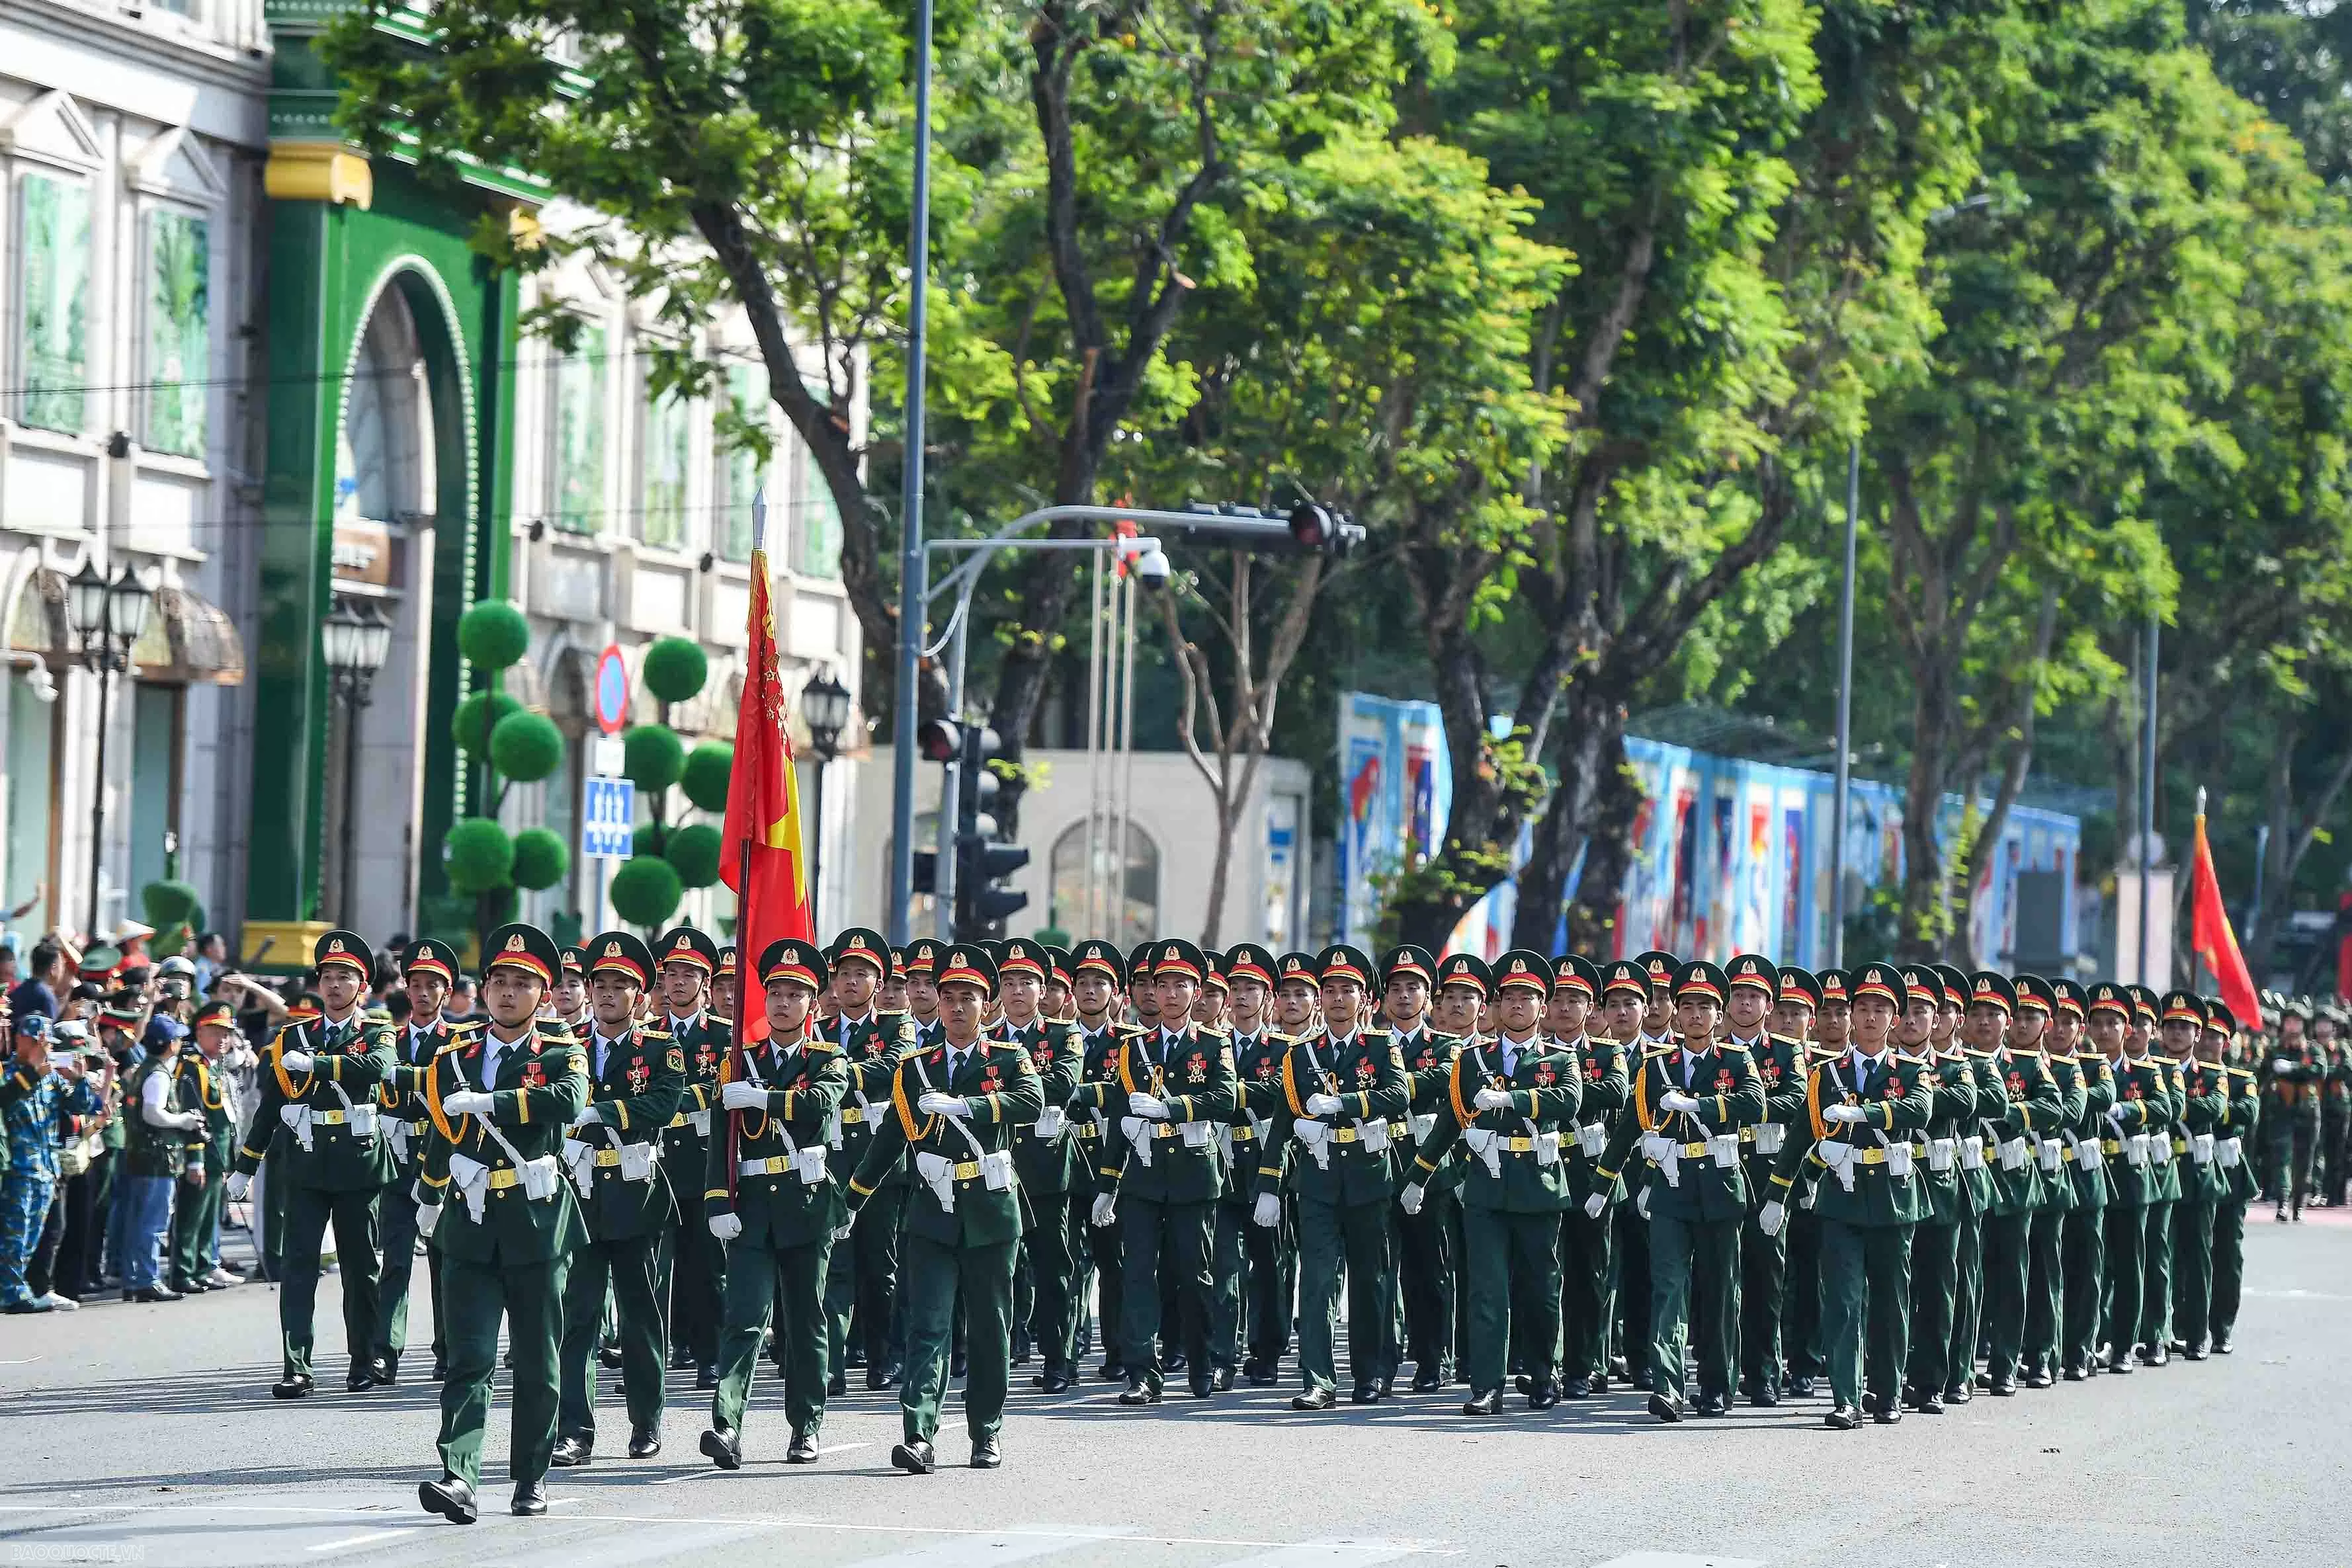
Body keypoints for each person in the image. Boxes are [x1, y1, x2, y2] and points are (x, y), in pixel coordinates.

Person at [409, 923, 590, 1524]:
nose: (508, 993)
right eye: (499, 982)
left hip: (537, 1224)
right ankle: (458, 1473)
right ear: (484, 988)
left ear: (543, 994)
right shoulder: (453, 1056)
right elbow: (444, 1129)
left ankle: (530, 1475)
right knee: (470, 1354)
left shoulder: (563, 1051)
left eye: (523, 984)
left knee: (538, 1357)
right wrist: (430, 1192)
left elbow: (568, 1100)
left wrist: (495, 1103)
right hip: (470, 1219)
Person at [844, 944, 1044, 1472]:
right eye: (948, 996)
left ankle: (986, 1431)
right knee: (927, 1326)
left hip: (990, 1212)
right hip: (932, 1210)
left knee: (988, 1325)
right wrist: (853, 1199)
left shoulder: (1008, 1057)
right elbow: (889, 1137)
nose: (956, 1007)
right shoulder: (916, 1066)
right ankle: (919, 1433)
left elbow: (1032, 1101)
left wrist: (970, 1106)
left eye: (968, 998)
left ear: (988, 1002)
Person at [1406, 950, 1579, 1414]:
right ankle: (1487, 1384)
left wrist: (1512, 1097)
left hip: (1539, 1186)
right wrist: (1418, 1175)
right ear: (1497, 1007)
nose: (1518, 1004)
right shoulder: (1472, 1059)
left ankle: (1544, 1373)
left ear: (1543, 1008)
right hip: (1486, 1185)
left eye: (1529, 997)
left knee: (1541, 1287)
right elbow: (1450, 1120)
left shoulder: (1560, 1060)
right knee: (1486, 1289)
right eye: (1510, 997)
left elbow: (1568, 1100)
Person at [227, 932, 398, 1394]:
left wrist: (320, 1067)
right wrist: (246, 1163)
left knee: (361, 1267)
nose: (336, 985)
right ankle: (296, 1365)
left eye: (345, 977)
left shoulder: (377, 1030)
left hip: (358, 1161)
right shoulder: (293, 1037)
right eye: (328, 977)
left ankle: (364, 1358)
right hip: (304, 1160)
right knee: (298, 1266)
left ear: (362, 986)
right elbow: (271, 1103)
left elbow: (377, 1068)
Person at [1594, 959, 1764, 1421]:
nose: (1694, 1014)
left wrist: (1700, 1103)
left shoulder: (1736, 1059)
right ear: (1673, 1011)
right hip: (1669, 1189)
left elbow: (1754, 1102)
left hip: (1721, 1187)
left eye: (1704, 1007)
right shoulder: (1656, 1066)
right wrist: (1603, 1182)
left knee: (1719, 1290)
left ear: (1720, 1013)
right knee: (1668, 1287)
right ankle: (1669, 1385)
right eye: (1686, 1005)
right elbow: (1630, 1126)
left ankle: (1715, 1384)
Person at [1765, 961, 1931, 1428]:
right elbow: (1800, 1134)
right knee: (1842, 1300)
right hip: (1840, 1198)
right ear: (1851, 1015)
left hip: (1894, 1199)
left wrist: (1866, 1114)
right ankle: (1846, 1396)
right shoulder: (1826, 1074)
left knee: (1890, 1300)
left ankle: (1888, 1391)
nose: (1872, 1017)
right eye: (1863, 1008)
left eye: (1882, 1009)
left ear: (1894, 1019)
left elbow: (1920, 1108)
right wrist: (1779, 1193)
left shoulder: (1911, 1070)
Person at [701, 937, 847, 1468]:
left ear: (813, 1002)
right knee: (743, 1317)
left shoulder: (828, 1057)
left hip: (807, 1207)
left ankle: (805, 1425)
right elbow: (722, 1136)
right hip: (754, 1205)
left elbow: (821, 1103)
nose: (783, 1002)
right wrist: (718, 1201)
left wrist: (764, 1098)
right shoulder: (739, 1060)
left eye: (795, 993)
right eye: (775, 992)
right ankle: (726, 1423)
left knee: (806, 1319)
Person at [1075, 938, 1236, 1405]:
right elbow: (1121, 1121)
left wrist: (1172, 1107)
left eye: (1180, 984)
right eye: (1162, 984)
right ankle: (1142, 1371)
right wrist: (1108, 1185)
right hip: (1143, 1175)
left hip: (1192, 1174)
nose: (1169, 993)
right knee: (1137, 1273)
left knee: (1194, 1272)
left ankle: (1201, 1358)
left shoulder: (1212, 1043)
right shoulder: (1132, 1048)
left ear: (1196, 991)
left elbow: (1224, 1100)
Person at [550, 932, 686, 1467]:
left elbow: (663, 1102)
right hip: (580, 1193)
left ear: (640, 993)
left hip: (635, 1192)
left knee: (639, 1313)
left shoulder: (659, 1047)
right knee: (578, 1315)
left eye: (620, 985)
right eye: (599, 983)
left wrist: (601, 1114)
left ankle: (645, 1420)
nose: (607, 993)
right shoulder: (568, 1043)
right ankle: (575, 1431)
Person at [1257, 944, 1404, 1409]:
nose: (1339, 998)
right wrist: (1268, 1186)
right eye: (1332, 990)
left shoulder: (1382, 1047)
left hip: (1368, 1176)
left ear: (1366, 999)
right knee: (1316, 1280)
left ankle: (1370, 1372)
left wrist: (1346, 1104)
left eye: (1349, 990)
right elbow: (1282, 1122)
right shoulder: (1301, 1055)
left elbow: (1399, 1094)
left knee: (1370, 1279)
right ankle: (1317, 1378)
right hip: (1317, 1180)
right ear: (1321, 1000)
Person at [818, 928, 917, 1393]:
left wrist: (838, 1073)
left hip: (880, 1164)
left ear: (879, 984)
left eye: (863, 974)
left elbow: (897, 1065)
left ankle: (884, 1356)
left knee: (881, 1267)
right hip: (829, 1160)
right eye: (844, 974)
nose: (851, 982)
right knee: (835, 1266)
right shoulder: (815, 1031)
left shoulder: (897, 1025)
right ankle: (832, 1362)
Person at [376, 938, 467, 1383]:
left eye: (433, 985)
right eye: (417, 985)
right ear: (406, 989)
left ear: (446, 993)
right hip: (398, 1159)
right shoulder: (387, 1041)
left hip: (444, 1162)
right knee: (394, 1259)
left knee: (444, 1260)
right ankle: (386, 1351)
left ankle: (447, 1348)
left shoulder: (460, 1044)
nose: (424, 993)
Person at [996, 938, 1084, 1390]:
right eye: (1008, 982)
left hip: (1047, 1168)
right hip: (997, 1166)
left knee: (1054, 1267)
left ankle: (1059, 1356)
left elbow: (1064, 1083)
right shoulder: (986, 1038)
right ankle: (1002, 1348)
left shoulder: (1062, 1033)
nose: (1017, 991)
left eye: (1026, 982)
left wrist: (1003, 1094)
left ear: (1044, 989)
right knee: (1001, 1266)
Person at [1722, 954, 1800, 1407]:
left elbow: (1796, 1099)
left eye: (1755, 995)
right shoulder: (1715, 1053)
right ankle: (1725, 1372)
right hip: (1719, 1171)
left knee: (1767, 1278)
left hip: (1769, 1175)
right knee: (1722, 1277)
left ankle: (1764, 1372)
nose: (1746, 1002)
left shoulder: (1787, 1052)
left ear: (1769, 1005)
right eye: (1739, 994)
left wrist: (1748, 1105)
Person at [653, 926, 727, 1388]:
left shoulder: (722, 1034)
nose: (678, 981)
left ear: (705, 981)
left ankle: (710, 1353)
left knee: (707, 1266)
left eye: (689, 973)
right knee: (653, 1269)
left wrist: (669, 1098)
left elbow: (723, 1089)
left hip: (703, 1163)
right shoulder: (646, 1035)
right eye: (671, 973)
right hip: (654, 1164)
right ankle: (653, 1355)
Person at [1216, 942, 1291, 1389]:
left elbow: (1280, 1096)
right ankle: (1224, 1352)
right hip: (1223, 1166)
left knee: (1269, 1265)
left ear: (1268, 998)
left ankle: (1268, 1349)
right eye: (1236, 987)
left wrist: (1228, 1095)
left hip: (1266, 1166)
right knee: (1225, 1264)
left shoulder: (1284, 1049)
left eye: (1252, 988)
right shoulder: (1211, 1045)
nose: (1242, 995)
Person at [1552, 954, 1622, 1399]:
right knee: (1547, 1275)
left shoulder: (1606, 1051)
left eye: (1575, 999)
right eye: (1557, 998)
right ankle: (1553, 1363)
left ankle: (1586, 1362)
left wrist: (1558, 1094)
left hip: (1592, 1174)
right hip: (1540, 1171)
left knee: (1591, 1274)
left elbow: (1616, 1089)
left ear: (1591, 1007)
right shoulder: (1532, 1052)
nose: (1564, 1007)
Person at [3, 1016, 102, 1312]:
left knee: (33, 1234)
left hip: (46, 1168)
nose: (41, 1048)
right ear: (20, 1040)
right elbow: (6, 1101)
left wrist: (80, 1079)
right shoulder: (8, 1073)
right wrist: (32, 1070)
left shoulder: (52, 1077)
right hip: (19, 1169)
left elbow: (80, 1108)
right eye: (36, 1042)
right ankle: (11, 1292)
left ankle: (17, 1288)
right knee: (14, 1235)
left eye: (45, 1043)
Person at [2092, 982, 2163, 1374]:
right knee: (2093, 1263)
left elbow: (2164, 1106)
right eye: (2098, 1023)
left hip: (2131, 1177)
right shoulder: (2080, 1069)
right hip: (2091, 1173)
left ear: (2128, 1029)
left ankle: (2123, 1344)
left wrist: (2126, 1110)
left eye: (2113, 1024)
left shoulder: (2147, 1072)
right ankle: (2095, 1339)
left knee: (2129, 1260)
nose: (2104, 1032)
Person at [2017, 975, 2081, 1389]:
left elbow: (2071, 1110)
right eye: (2019, 1017)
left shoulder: (2067, 1070)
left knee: (2045, 1267)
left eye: (2035, 1018)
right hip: (2007, 1178)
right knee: (2009, 1270)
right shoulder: (2001, 1065)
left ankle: (2044, 1354)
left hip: (2049, 1174)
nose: (2026, 1025)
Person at [2160, 991, 2228, 1360]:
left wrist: (2169, 1106)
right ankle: (2162, 1329)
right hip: (2158, 1171)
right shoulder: (2150, 1070)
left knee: (2198, 1255)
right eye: (2171, 1026)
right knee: (2161, 1255)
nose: (2176, 1033)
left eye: (2185, 1027)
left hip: (2197, 1174)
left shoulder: (2213, 1075)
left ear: (2198, 1035)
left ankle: (2199, 1333)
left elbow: (2212, 1109)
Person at [118, 1014, 203, 1302]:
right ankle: (146, 1279)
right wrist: (184, 1121)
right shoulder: (158, 1074)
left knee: (138, 1220)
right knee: (153, 1222)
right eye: (177, 1038)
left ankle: (134, 1278)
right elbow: (152, 1113)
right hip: (158, 1158)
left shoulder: (144, 1069)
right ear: (170, 1045)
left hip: (142, 1155)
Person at [2056, 979, 2114, 1382]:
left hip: (2085, 1174)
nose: (2060, 1029)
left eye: (2069, 1022)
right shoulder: (2030, 1065)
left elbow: (2102, 1097)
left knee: (2087, 1267)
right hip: (2043, 1176)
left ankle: (2080, 1349)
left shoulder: (2096, 1067)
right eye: (2054, 1021)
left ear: (2082, 1029)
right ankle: (2046, 1348)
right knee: (2049, 1267)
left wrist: (2050, 1103)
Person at [166, 1000, 241, 1295]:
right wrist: (195, 1158)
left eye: (226, 1033)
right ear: (199, 1032)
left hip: (219, 1153)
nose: (223, 1039)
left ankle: (201, 1267)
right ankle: (183, 1271)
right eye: (215, 1032)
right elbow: (194, 1113)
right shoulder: (193, 1068)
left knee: (208, 1214)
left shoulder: (214, 1067)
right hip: (202, 1152)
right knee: (191, 1215)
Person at [2208, 1001, 2258, 1354]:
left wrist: (2208, 1107)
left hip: (2228, 1173)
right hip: (2188, 1169)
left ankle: (2222, 1325)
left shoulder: (2242, 1078)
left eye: (2215, 1036)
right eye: (2203, 1034)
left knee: (2227, 1253)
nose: (2205, 1042)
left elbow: (2247, 1111)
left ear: (2226, 1043)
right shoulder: (2174, 1075)